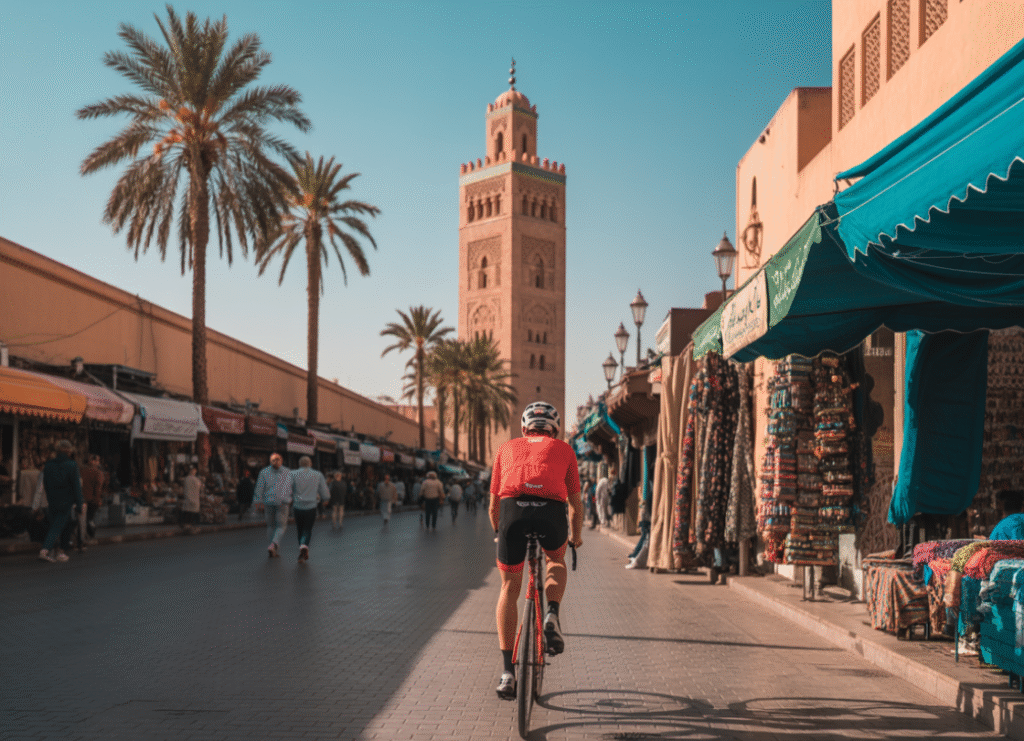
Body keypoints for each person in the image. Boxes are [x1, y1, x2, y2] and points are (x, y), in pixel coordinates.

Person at [490, 401, 582, 700]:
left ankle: (507, 673)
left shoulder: (506, 448)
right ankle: (552, 613)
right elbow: (576, 505)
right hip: (550, 512)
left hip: (512, 512)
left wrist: (498, 533)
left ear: (524, 427)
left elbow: (492, 505)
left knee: (509, 587)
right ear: (554, 429)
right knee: (555, 558)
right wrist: (576, 537)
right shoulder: (565, 450)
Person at [38, 440, 83, 563]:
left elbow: (45, 484)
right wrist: (79, 504)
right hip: (66, 501)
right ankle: (45, 550)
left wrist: (50, 497)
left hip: (52, 500)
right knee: (57, 527)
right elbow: (76, 487)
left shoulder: (48, 465)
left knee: (63, 525)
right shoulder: (72, 465)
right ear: (69, 451)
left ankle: (61, 552)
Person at [254, 453, 294, 558]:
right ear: (281, 460)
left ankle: (273, 547)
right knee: (281, 526)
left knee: (271, 526)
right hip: (282, 503)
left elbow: (259, 488)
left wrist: (258, 501)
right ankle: (273, 545)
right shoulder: (287, 472)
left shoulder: (264, 472)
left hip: (268, 502)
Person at [291, 456, 329, 562]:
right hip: (311, 506)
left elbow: (287, 489)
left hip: (298, 506)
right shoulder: (317, 474)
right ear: (310, 464)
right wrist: (325, 499)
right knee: (307, 529)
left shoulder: (292, 474)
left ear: (299, 464)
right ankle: (304, 545)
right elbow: (324, 489)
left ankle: (302, 549)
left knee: (300, 529)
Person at [78, 454, 106, 547]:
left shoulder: (81, 471)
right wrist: (98, 500)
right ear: (92, 461)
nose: (98, 463)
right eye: (97, 461)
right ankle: (89, 537)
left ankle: (81, 539)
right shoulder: (98, 473)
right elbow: (98, 488)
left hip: (81, 499)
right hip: (92, 500)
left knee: (82, 520)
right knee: (89, 519)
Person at [181, 466, 203, 532]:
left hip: (188, 498)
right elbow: (201, 488)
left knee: (187, 512)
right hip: (195, 499)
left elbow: (184, 488)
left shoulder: (186, 479)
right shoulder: (197, 480)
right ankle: (192, 526)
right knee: (193, 513)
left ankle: (186, 525)